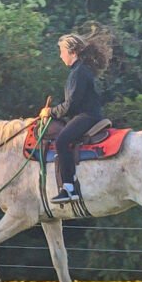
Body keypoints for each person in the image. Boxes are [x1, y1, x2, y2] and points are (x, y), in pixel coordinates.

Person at [39, 29, 112, 203]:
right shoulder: (80, 70)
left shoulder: (78, 73)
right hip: (86, 114)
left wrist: (49, 112)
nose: (60, 56)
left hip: (87, 116)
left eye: (62, 52)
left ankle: (69, 188)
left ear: (72, 52)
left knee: (62, 141)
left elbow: (70, 105)